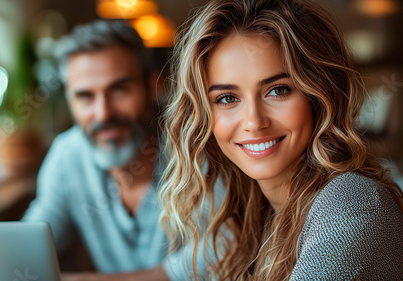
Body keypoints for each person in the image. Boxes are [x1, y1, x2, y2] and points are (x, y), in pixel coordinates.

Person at [159, 0, 403, 280]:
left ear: (319, 96)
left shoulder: (351, 203)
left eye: (278, 90)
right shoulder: (253, 215)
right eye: (227, 98)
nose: (254, 122)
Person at [22, 20, 201, 281]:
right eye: (85, 97)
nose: (103, 113)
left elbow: (218, 259)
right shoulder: (67, 155)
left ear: (152, 86)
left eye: (119, 90)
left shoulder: (198, 147)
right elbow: (31, 242)